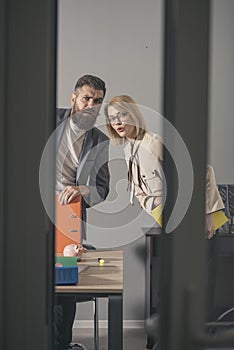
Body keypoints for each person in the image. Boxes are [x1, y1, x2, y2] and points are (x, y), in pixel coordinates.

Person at [105, 94, 225, 239]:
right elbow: (138, 192)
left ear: (134, 115)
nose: (117, 122)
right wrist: (155, 202)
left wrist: (208, 214)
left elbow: (205, 172)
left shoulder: (155, 144)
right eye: (112, 118)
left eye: (122, 115)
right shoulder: (128, 151)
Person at [55, 74, 110, 350]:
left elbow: (103, 189)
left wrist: (83, 190)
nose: (91, 105)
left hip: (70, 218)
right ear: (73, 98)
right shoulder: (46, 118)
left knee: (65, 287)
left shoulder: (99, 140)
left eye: (97, 101)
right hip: (32, 212)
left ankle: (61, 343)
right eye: (87, 98)